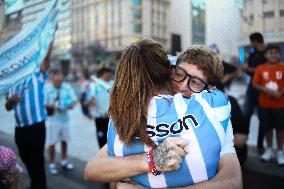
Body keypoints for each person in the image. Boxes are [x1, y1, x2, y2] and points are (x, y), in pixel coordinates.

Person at [85, 41, 242, 189]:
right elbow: (94, 169)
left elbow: (232, 181)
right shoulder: (140, 111)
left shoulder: (212, 114)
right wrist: (151, 161)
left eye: (196, 82)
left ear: (209, 89)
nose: (182, 86)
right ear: (170, 71)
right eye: (179, 74)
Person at [5, 49, 51, 189]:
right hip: (19, 129)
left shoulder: (36, 75)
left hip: (36, 127)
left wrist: (50, 32)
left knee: (36, 161)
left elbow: (46, 58)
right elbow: (8, 107)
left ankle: (39, 185)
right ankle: (35, 182)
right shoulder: (11, 84)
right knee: (25, 158)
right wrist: (11, 100)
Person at [252, 45, 284, 165]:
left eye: (276, 52)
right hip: (264, 105)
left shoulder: (282, 67)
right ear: (266, 55)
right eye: (271, 53)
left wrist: (279, 93)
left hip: (280, 105)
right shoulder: (260, 68)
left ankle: (280, 152)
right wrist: (269, 91)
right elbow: (255, 84)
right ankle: (269, 150)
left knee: (280, 130)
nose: (273, 55)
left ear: (279, 55)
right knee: (268, 128)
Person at [44, 69, 77, 175]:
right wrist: (53, 106)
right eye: (57, 80)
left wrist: (70, 105)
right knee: (52, 142)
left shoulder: (66, 87)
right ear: (52, 78)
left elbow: (74, 100)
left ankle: (64, 161)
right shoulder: (46, 88)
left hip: (65, 119)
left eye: (61, 79)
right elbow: (43, 103)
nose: (59, 81)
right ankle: (52, 164)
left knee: (64, 140)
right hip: (53, 120)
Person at [242, 32, 266, 153]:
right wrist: (246, 69)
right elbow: (249, 71)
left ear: (256, 41)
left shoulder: (267, 54)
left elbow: (264, 70)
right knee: (246, 115)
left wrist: (250, 69)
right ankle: (243, 143)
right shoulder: (252, 54)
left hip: (263, 90)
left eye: (252, 42)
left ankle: (260, 145)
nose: (251, 44)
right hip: (251, 89)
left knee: (262, 118)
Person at [86, 67, 114, 148]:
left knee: (112, 137)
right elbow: (88, 101)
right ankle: (102, 155)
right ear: (101, 75)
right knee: (102, 139)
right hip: (100, 118)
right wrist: (91, 109)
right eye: (107, 75)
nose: (109, 77)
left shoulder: (113, 83)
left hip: (112, 118)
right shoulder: (94, 86)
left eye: (110, 75)